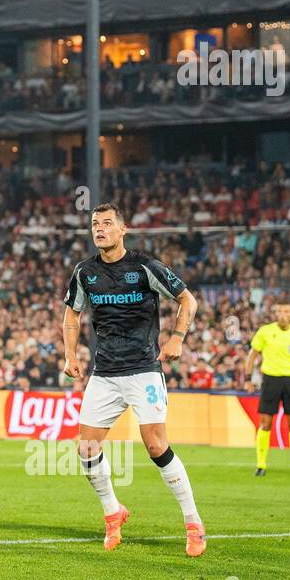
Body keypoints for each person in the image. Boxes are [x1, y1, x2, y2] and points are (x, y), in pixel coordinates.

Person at [62, 202, 205, 557]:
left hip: (143, 369)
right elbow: (71, 316)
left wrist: (177, 337)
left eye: (108, 223)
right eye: (95, 224)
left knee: (156, 445)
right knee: (86, 449)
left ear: (122, 230)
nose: (100, 229)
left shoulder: (144, 267)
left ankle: (193, 522)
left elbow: (188, 300)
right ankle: (113, 512)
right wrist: (70, 355)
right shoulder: (84, 272)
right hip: (105, 373)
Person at [245, 302, 290, 477]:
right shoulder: (265, 331)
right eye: (280, 311)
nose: (283, 314)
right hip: (270, 380)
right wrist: (248, 379)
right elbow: (252, 355)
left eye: (287, 311)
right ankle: (261, 465)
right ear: (276, 314)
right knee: (265, 424)